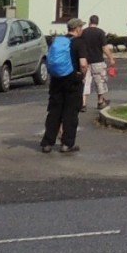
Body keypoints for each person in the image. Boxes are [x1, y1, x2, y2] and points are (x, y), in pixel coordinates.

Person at [40, 19, 88, 154]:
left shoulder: (58, 41)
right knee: (71, 113)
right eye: (81, 27)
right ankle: (67, 144)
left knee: (54, 111)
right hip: (72, 80)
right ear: (77, 28)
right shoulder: (79, 42)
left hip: (56, 79)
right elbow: (83, 64)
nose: (82, 29)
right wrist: (82, 76)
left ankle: (47, 143)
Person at [77, 14, 110, 111]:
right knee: (100, 81)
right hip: (98, 61)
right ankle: (100, 101)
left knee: (85, 82)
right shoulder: (100, 33)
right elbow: (104, 48)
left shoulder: (83, 32)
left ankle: (83, 104)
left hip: (85, 61)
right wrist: (111, 58)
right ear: (97, 22)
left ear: (89, 21)